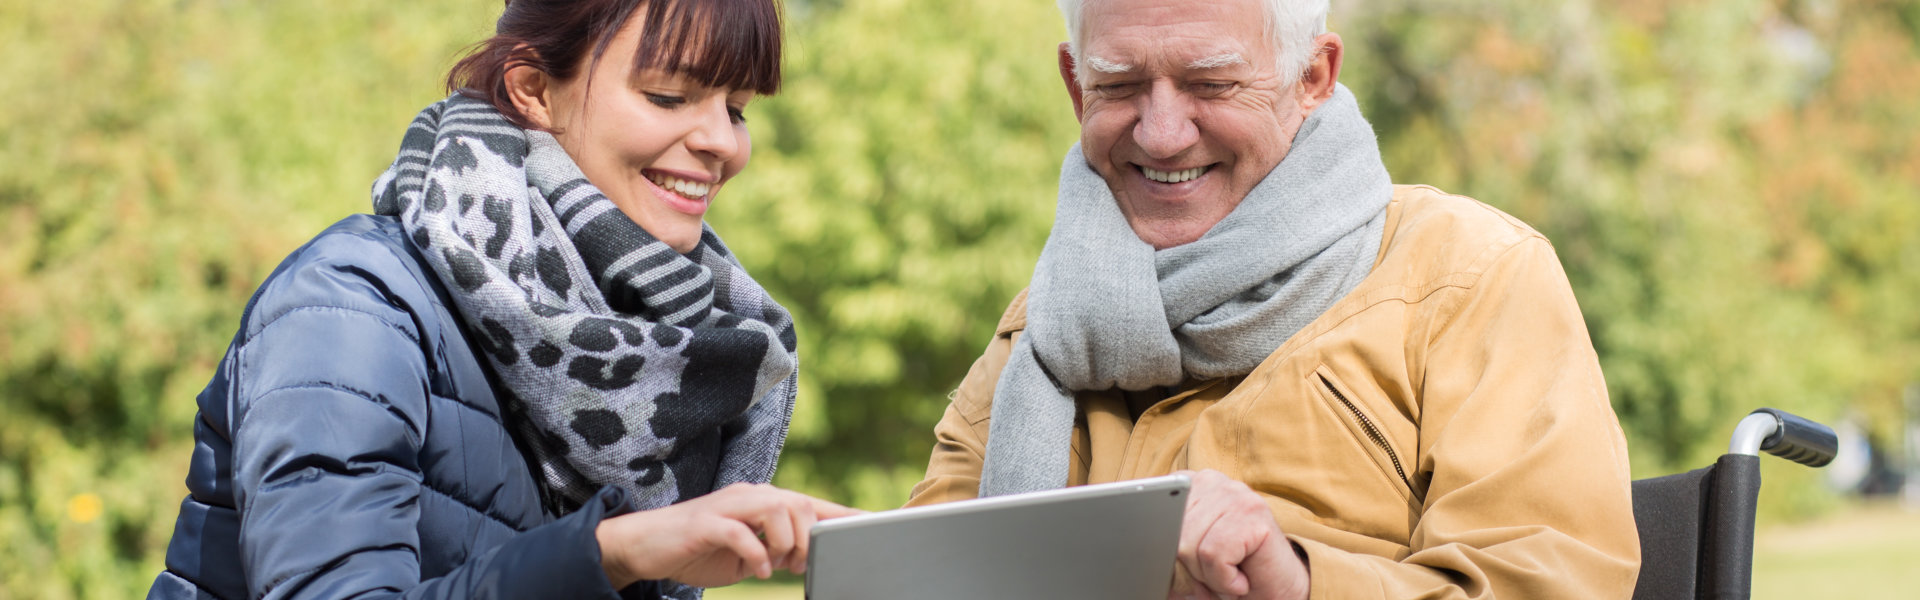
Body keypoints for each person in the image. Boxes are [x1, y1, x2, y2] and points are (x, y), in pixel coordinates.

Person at [905, 0, 1641, 598]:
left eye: (1212, 85)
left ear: (1314, 75)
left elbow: (1550, 584)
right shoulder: (1043, 324)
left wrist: (1298, 583)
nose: (1162, 134)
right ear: (1075, 85)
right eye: (1120, 86)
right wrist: (836, 547)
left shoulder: (1472, 276)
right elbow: (929, 570)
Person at [146, 1, 857, 598]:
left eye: (735, 108)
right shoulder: (350, 306)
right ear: (533, 90)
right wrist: (611, 554)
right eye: (669, 96)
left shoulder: (660, 345)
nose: (720, 143)